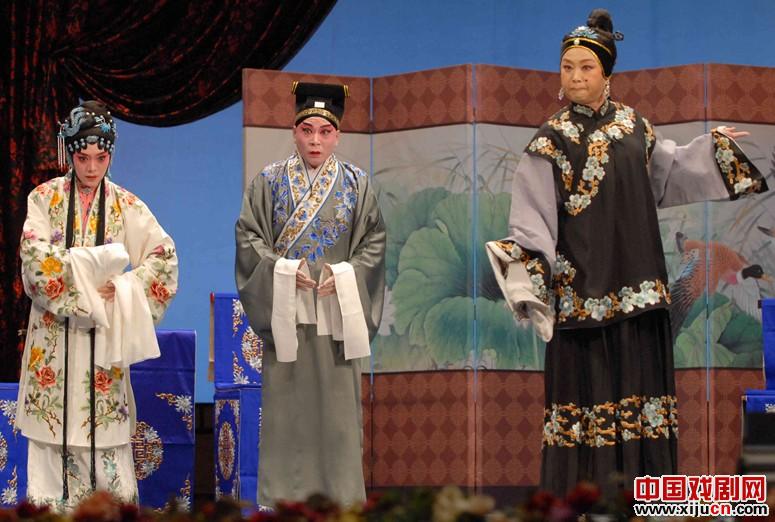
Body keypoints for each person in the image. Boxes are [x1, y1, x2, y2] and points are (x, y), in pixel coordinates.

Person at [486, 9, 767, 495]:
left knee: (643, 403)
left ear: (607, 73)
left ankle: (644, 501)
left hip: (640, 292)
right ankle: (581, 504)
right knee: (584, 404)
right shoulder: (549, 141)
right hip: (580, 298)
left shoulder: (635, 127)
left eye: (586, 67)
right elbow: (531, 218)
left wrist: (714, 148)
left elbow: (670, 174)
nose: (575, 77)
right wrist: (527, 272)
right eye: (567, 67)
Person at [17, 100, 178, 509]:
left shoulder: (127, 205)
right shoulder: (44, 199)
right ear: (68, 152)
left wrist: (125, 287)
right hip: (54, 340)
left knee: (105, 443)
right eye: (83, 157)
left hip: (103, 343)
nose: (91, 167)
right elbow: (35, 263)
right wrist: (92, 285)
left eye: (101, 158)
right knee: (50, 444)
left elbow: (164, 259)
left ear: (111, 154)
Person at [235, 82, 385, 507]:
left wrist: (347, 274)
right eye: (307, 130)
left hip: (337, 317)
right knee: (287, 418)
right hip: (288, 317)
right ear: (294, 132)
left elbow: (374, 243)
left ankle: (341, 505)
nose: (315, 140)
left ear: (337, 135)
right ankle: (284, 504)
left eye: (324, 131)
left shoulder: (357, 185)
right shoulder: (268, 182)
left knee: (337, 421)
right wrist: (282, 271)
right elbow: (248, 238)